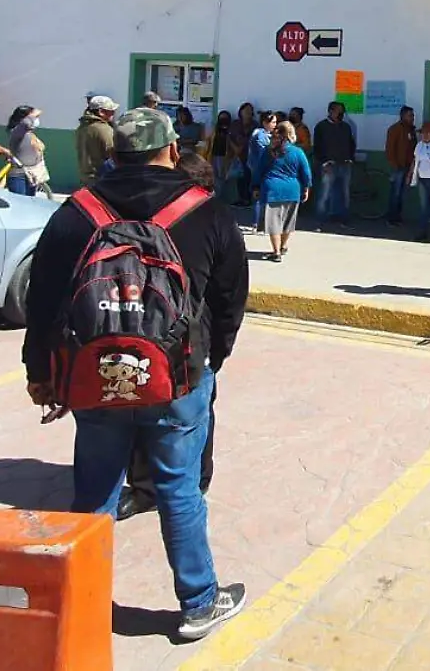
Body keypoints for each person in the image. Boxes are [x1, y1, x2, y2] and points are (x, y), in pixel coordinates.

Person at [21, 107, 250, 639]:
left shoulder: (77, 211)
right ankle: (198, 603)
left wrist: (39, 371)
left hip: (92, 376)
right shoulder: (206, 210)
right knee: (178, 487)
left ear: (114, 154)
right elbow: (231, 297)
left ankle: (75, 597)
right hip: (179, 378)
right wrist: (212, 355)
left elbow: (44, 298)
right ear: (171, 150)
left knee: (96, 489)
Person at [119, 146, 218, 522]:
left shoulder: (210, 221)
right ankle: (154, 485)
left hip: (190, 338)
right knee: (150, 408)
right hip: (154, 332)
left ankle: (190, 480)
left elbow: (230, 292)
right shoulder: (149, 219)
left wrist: (218, 347)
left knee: (189, 412)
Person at [257, 122, 312, 262]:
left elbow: (259, 170)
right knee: (288, 222)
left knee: (274, 222)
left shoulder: (269, 151)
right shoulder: (297, 151)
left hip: (272, 189)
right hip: (292, 189)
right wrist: (306, 187)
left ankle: (276, 252)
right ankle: (282, 246)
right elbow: (306, 172)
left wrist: (255, 187)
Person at [311, 101, 358, 229]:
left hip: (345, 164)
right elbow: (317, 147)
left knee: (344, 193)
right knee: (324, 194)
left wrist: (350, 158)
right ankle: (320, 221)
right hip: (329, 165)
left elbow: (351, 143)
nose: (341, 114)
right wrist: (323, 162)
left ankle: (342, 219)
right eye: (339, 111)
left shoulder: (346, 127)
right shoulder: (321, 126)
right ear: (331, 111)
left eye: (342, 111)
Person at [247, 111, 281, 232]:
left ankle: (263, 222)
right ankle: (257, 223)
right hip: (260, 169)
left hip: (266, 169)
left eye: (276, 122)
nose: (275, 125)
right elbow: (263, 153)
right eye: (273, 122)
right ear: (265, 123)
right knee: (259, 195)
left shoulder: (270, 135)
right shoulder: (260, 135)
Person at [5, 104, 49, 197]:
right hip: (19, 176)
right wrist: (33, 114)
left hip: (31, 175)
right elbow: (25, 123)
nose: (36, 120)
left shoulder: (29, 133)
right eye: (34, 117)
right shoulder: (17, 131)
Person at [76, 95, 119, 187]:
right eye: (111, 111)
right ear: (101, 112)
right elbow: (112, 152)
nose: (113, 113)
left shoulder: (82, 127)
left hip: (86, 177)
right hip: (101, 178)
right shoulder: (103, 129)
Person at [384, 106, 417, 226]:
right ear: (403, 116)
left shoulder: (412, 130)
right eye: (410, 115)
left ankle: (398, 217)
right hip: (398, 167)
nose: (413, 118)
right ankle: (391, 218)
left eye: (413, 115)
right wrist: (395, 165)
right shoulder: (395, 129)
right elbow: (389, 149)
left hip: (408, 167)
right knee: (395, 193)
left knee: (403, 194)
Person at [228, 105, 256, 207]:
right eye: (246, 111)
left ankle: (247, 199)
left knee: (248, 177)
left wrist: (243, 146)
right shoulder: (235, 124)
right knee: (239, 177)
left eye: (250, 111)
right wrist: (235, 147)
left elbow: (254, 138)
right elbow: (230, 136)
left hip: (249, 154)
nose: (248, 113)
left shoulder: (254, 125)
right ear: (241, 112)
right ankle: (241, 198)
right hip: (237, 154)